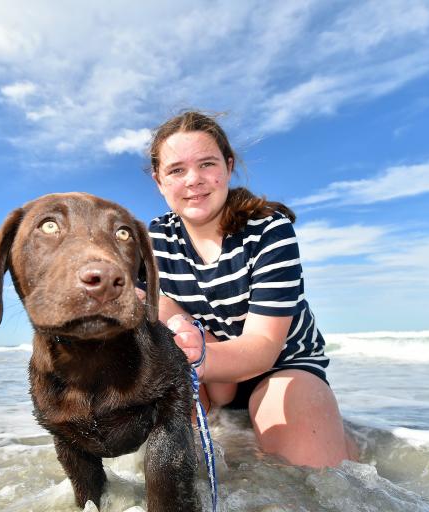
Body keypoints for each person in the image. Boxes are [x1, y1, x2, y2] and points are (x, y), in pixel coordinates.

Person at [145, 111, 358, 468]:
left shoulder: (268, 230)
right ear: (159, 182)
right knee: (173, 463)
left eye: (207, 164)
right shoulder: (153, 241)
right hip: (207, 379)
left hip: (278, 366)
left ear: (228, 167)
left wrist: (202, 357)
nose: (193, 180)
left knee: (311, 477)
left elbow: (263, 347)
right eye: (177, 170)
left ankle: (344, 438)